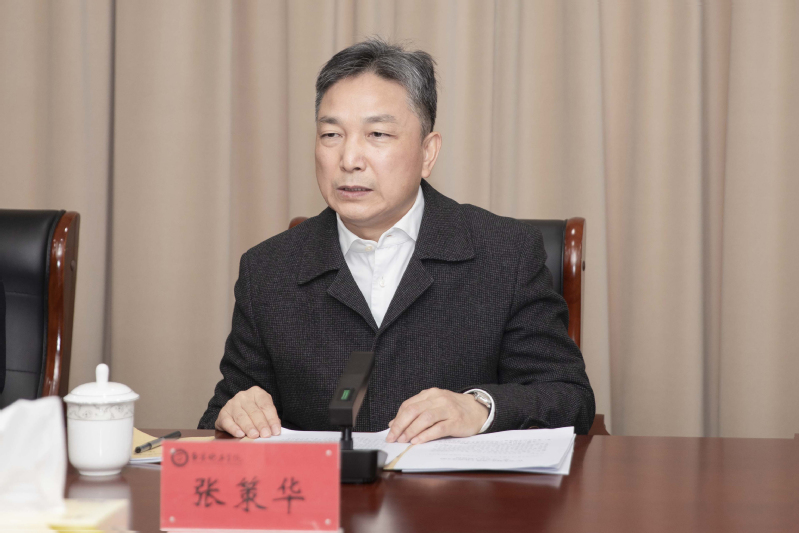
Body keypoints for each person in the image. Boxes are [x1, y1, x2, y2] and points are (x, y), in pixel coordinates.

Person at [199, 39, 594, 444]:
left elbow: (569, 398)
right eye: (331, 134)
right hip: (328, 486)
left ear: (428, 152)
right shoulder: (268, 270)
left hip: (456, 487)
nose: (349, 159)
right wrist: (236, 414)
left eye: (378, 134)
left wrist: (479, 408)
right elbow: (221, 417)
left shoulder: (507, 253)